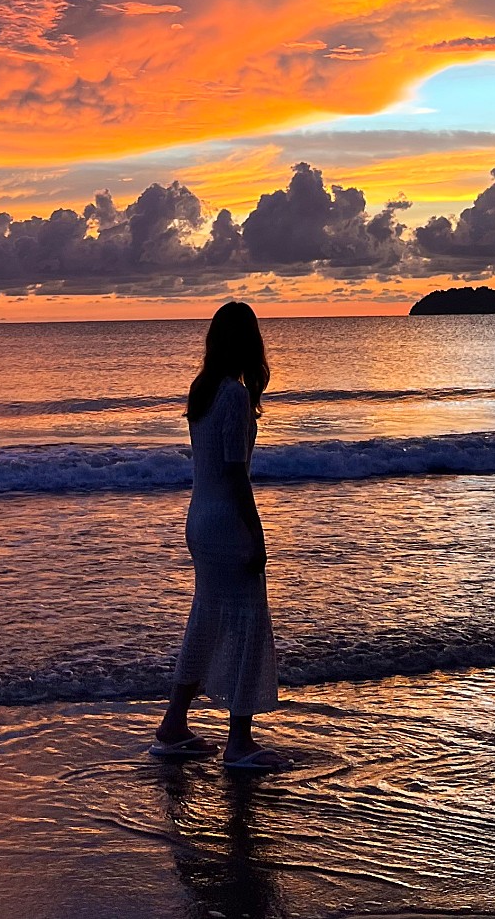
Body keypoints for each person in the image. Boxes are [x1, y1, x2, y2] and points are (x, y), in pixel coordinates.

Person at [152, 301, 283, 772]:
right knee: (247, 621)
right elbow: (235, 475)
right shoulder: (232, 395)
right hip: (226, 522)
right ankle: (240, 742)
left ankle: (173, 725)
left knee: (207, 619)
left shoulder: (203, 390)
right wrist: (258, 534)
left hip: (199, 521)